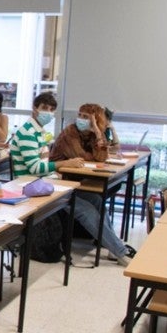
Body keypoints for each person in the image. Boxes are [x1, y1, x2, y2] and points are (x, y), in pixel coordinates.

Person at [49, 103, 135, 266]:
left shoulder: (91, 134)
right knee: (87, 210)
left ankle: (112, 247)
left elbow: (101, 158)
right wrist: (97, 142)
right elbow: (80, 157)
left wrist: (97, 131)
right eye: (80, 115)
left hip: (73, 183)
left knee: (97, 200)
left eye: (86, 117)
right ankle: (120, 252)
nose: (80, 119)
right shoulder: (70, 133)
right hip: (58, 184)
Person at [9, 91, 83, 178]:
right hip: (30, 183)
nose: (48, 112)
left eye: (51, 110)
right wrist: (66, 163)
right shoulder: (28, 133)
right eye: (44, 108)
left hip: (41, 179)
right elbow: (35, 168)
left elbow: (42, 164)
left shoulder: (38, 131)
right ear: (34, 109)